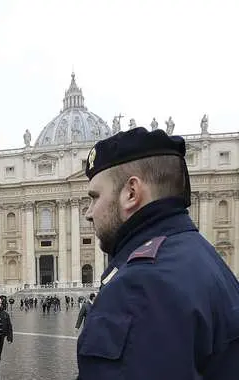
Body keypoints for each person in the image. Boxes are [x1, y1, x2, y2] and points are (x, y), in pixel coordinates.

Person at [78, 127, 239, 379]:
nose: (88, 212)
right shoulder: (204, 258)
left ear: (131, 193)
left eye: (95, 197)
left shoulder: (142, 286)